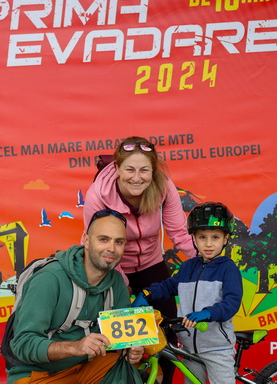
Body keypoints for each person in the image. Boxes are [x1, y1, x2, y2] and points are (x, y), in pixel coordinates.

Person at [83, 136, 196, 383]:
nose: (137, 178)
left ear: (153, 170)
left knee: (165, 333)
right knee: (118, 340)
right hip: (113, 267)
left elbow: (179, 233)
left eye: (144, 170)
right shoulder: (98, 195)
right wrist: (122, 284)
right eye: (130, 170)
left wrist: (209, 263)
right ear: (117, 168)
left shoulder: (163, 186)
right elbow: (100, 247)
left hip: (151, 264)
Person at [8, 209, 144, 384]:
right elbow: (23, 344)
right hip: (41, 372)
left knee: (143, 373)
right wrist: (76, 347)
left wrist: (132, 350)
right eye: (103, 239)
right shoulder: (49, 278)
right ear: (86, 241)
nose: (111, 248)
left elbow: (124, 340)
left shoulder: (117, 282)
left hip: (88, 366)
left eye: (119, 242)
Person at [132, 202, 243, 384]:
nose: (208, 244)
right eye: (202, 237)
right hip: (189, 347)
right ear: (194, 238)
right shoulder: (188, 267)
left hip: (217, 349)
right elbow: (168, 287)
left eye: (215, 237)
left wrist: (207, 313)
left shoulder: (228, 269)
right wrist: (146, 293)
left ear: (225, 239)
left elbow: (231, 303)